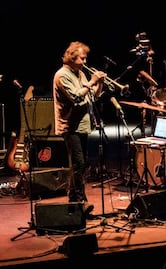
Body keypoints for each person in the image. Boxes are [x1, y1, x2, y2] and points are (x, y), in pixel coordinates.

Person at [53, 41, 106, 210]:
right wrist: (92, 81)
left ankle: (76, 201)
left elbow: (92, 97)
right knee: (79, 163)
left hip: (83, 125)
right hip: (70, 126)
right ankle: (78, 201)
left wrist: (100, 84)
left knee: (81, 164)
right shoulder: (62, 75)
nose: (85, 62)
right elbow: (76, 97)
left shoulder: (80, 73)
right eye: (82, 58)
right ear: (71, 57)